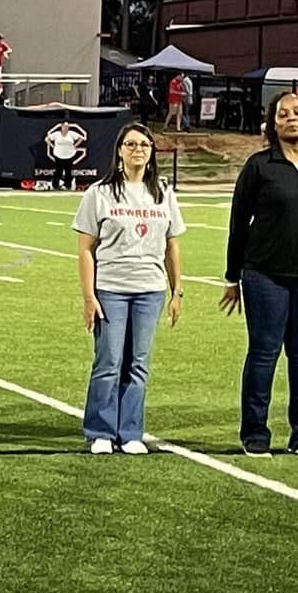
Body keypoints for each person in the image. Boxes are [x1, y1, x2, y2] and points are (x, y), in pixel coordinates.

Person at [221, 90, 298, 458]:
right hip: (264, 275)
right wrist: (233, 276)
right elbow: (238, 222)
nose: (290, 118)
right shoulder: (260, 166)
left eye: (297, 112)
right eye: (282, 114)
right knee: (264, 353)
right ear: (272, 123)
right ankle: (255, 432)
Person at [74, 123, 184, 456]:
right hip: (110, 289)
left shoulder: (163, 192)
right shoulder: (100, 193)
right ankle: (101, 431)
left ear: (152, 152)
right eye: (131, 144)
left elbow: (172, 246)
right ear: (119, 150)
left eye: (144, 145)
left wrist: (177, 291)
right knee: (108, 361)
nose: (138, 149)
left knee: (138, 363)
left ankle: (131, 430)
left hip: (150, 290)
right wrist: (89, 296)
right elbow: (85, 249)